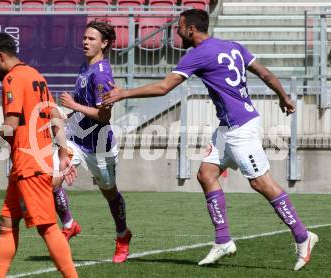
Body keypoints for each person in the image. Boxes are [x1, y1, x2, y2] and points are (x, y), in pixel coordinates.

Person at [103, 9, 318, 271]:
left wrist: (123, 93)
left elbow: (163, 87)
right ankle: (223, 240)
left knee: (262, 183)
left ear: (191, 29)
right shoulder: (233, 46)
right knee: (206, 174)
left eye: (180, 28)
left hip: (241, 128)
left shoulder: (199, 54)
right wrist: (283, 96)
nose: (177, 33)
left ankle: (303, 236)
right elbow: (266, 74)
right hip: (230, 126)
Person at [0, 32, 78, 278]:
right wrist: (63, 153)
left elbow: (10, 124)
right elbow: (55, 116)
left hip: (29, 165)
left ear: (0, 57)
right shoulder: (35, 76)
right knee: (7, 223)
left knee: (48, 227)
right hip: (29, 165)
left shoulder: (12, 78)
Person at [51, 20, 132, 263]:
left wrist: (73, 106)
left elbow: (104, 115)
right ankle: (69, 224)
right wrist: (69, 114)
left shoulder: (102, 74)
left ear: (104, 43)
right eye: (85, 37)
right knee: (51, 178)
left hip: (100, 146)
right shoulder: (85, 67)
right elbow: (81, 102)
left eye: (92, 39)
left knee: (109, 193)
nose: (85, 41)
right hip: (77, 139)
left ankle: (122, 235)